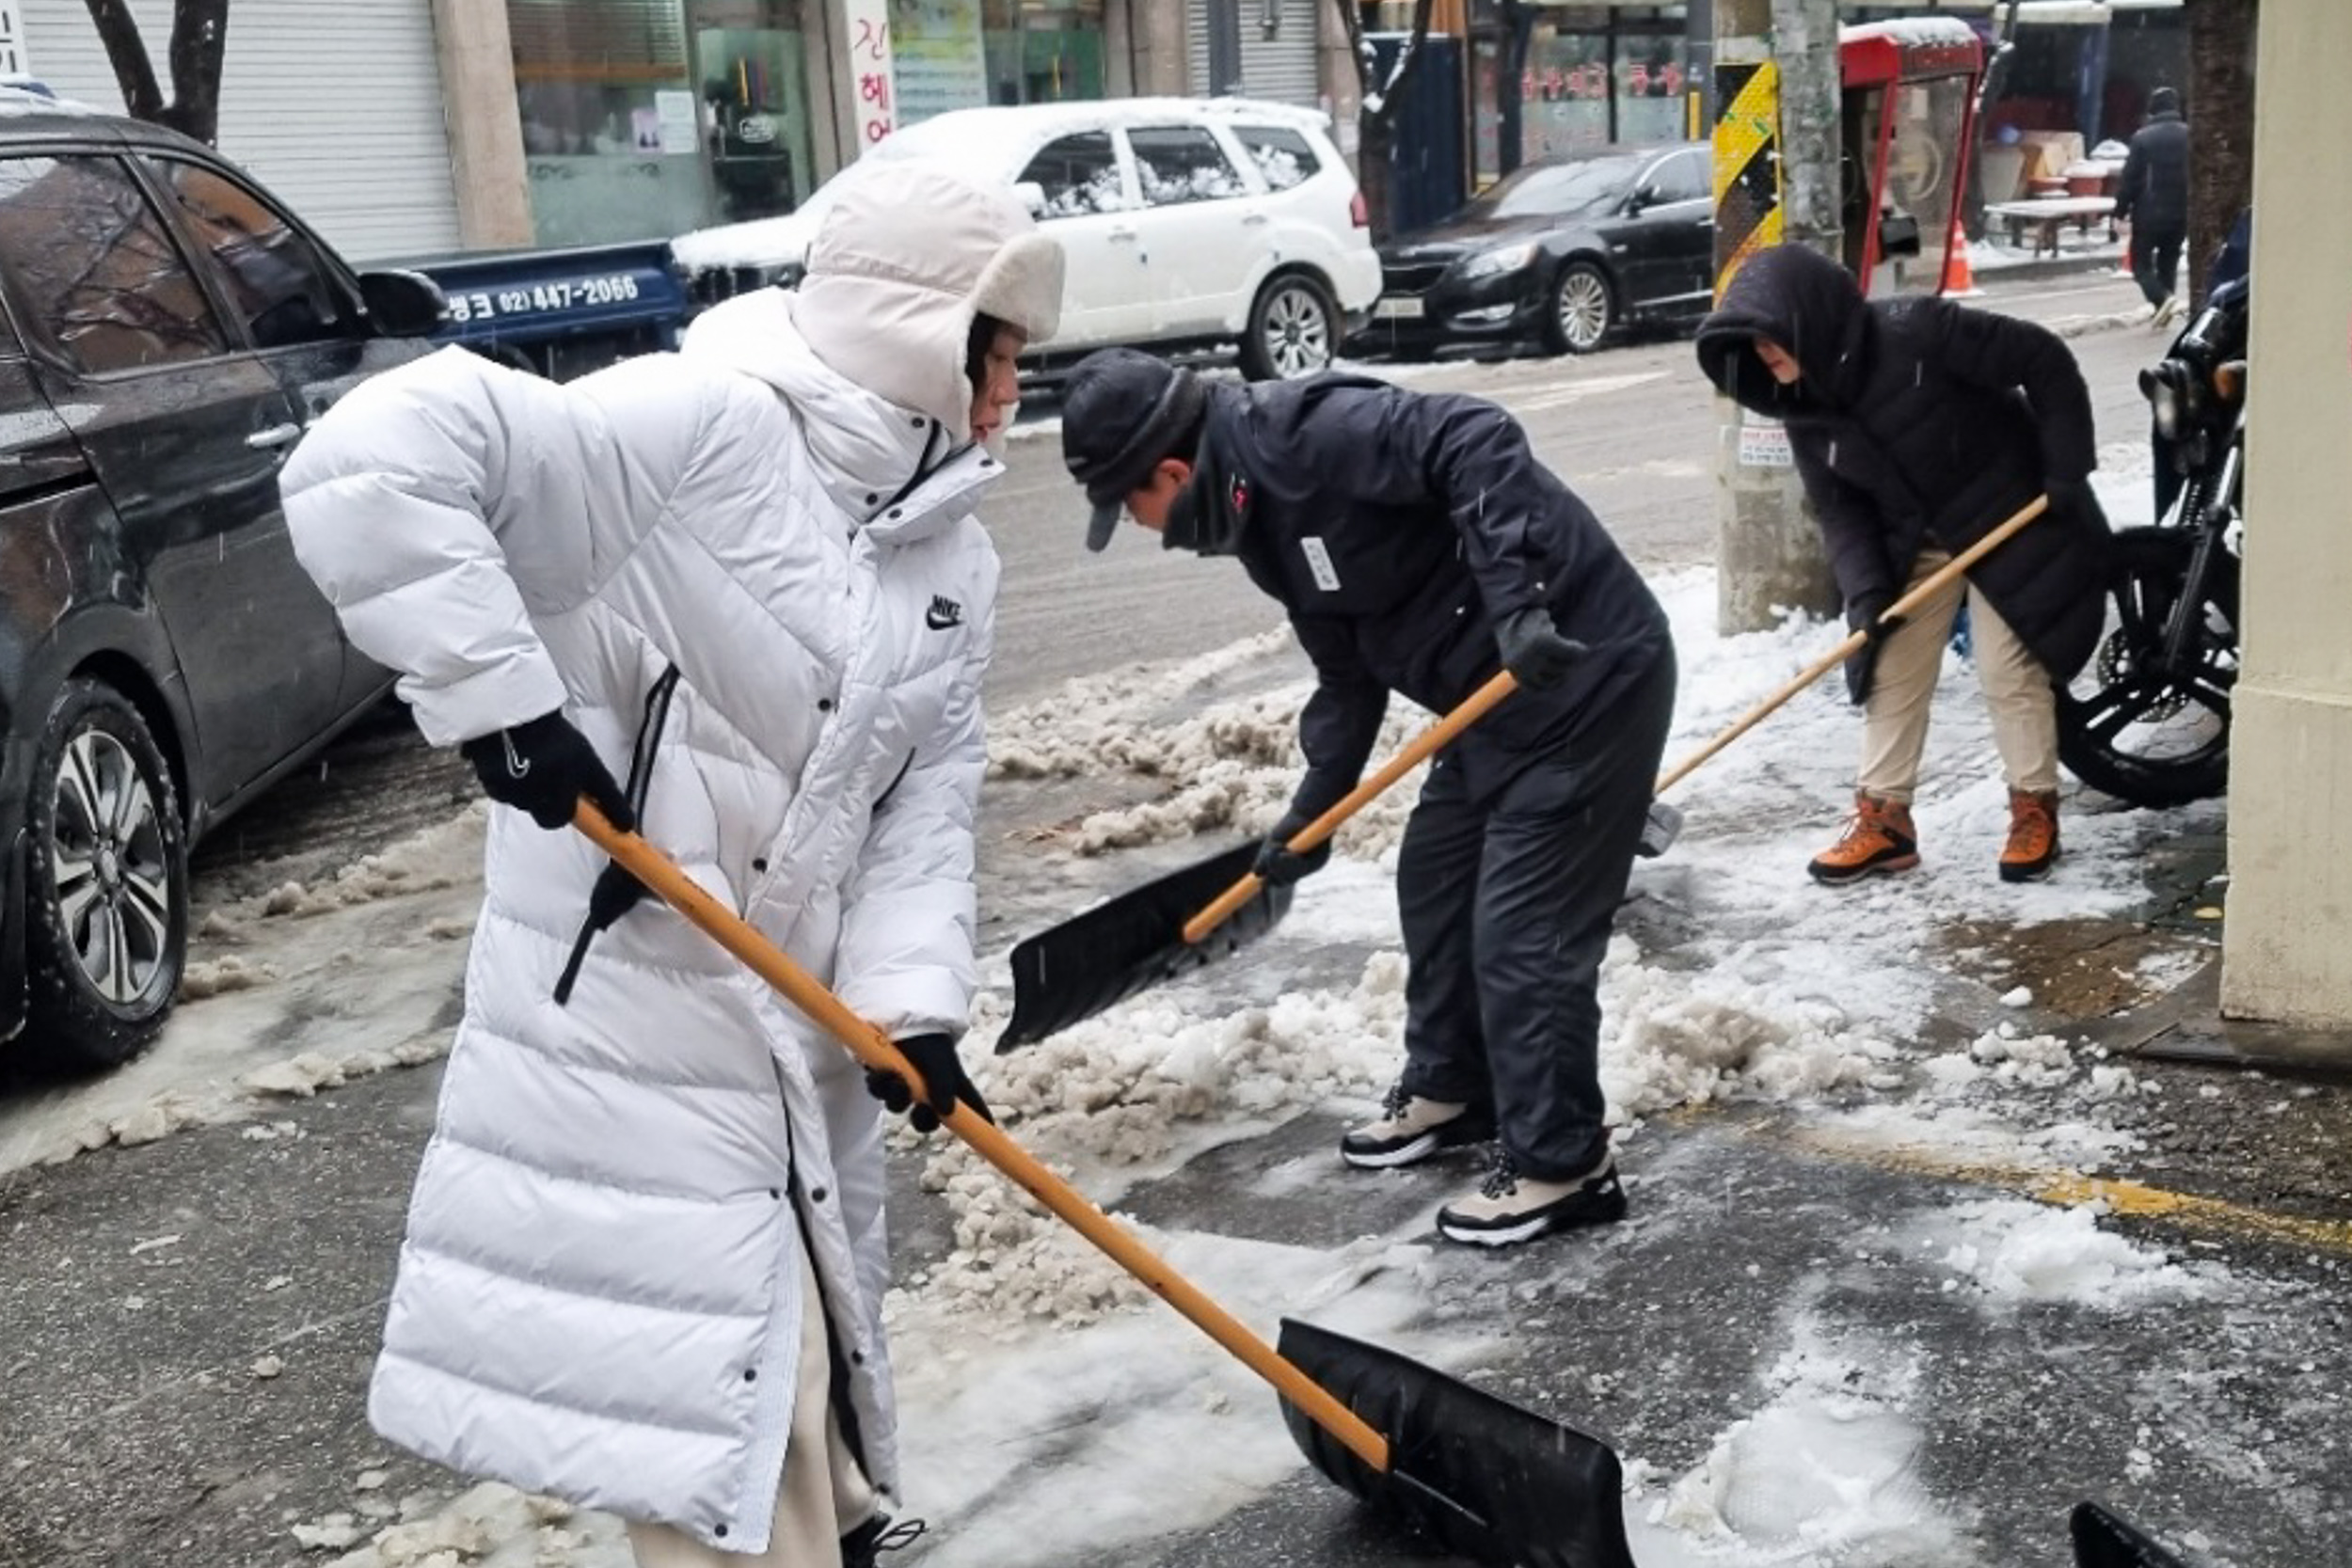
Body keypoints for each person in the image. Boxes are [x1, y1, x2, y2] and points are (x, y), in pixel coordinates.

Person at [279, 160, 1062, 1568]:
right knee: (720, 1398)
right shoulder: (697, 424)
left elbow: (926, 799)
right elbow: (374, 457)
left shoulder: (952, 547)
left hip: (797, 1015)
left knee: (804, 1329)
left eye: (1016, 361)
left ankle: (847, 1525)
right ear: (915, 331)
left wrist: (912, 1005)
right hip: (639, 1002)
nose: (1010, 391)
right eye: (993, 354)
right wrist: (504, 699)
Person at [1058, 350, 1676, 1249]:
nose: (1143, 527)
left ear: (1173, 473)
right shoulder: (1260, 523)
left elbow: (1477, 436)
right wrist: (1311, 812)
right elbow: (1346, 677)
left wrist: (1517, 605)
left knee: (1522, 931)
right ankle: (1457, 1089)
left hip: (1582, 671)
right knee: (1434, 881)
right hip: (1487, 708)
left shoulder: (1307, 435)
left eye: (1131, 507)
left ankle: (1563, 1163)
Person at [1694, 243, 2111, 888]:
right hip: (1919, 537)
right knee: (1888, 662)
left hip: (2015, 510)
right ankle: (1885, 821)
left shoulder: (1919, 332)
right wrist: (1866, 597)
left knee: (2008, 666)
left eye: (1768, 337)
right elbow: (1843, 514)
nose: (1761, 354)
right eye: (1749, 346)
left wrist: (2065, 465)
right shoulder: (1804, 409)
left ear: (1806, 319)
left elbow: (2044, 360)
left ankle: (2034, 808)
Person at [2115, 85, 2191, 324]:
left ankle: (2160, 299)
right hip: (2181, 211)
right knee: (2168, 259)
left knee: (2140, 265)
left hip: (2149, 212)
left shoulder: (2143, 138)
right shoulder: (2190, 134)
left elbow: (2130, 178)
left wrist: (2120, 210)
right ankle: (2165, 304)